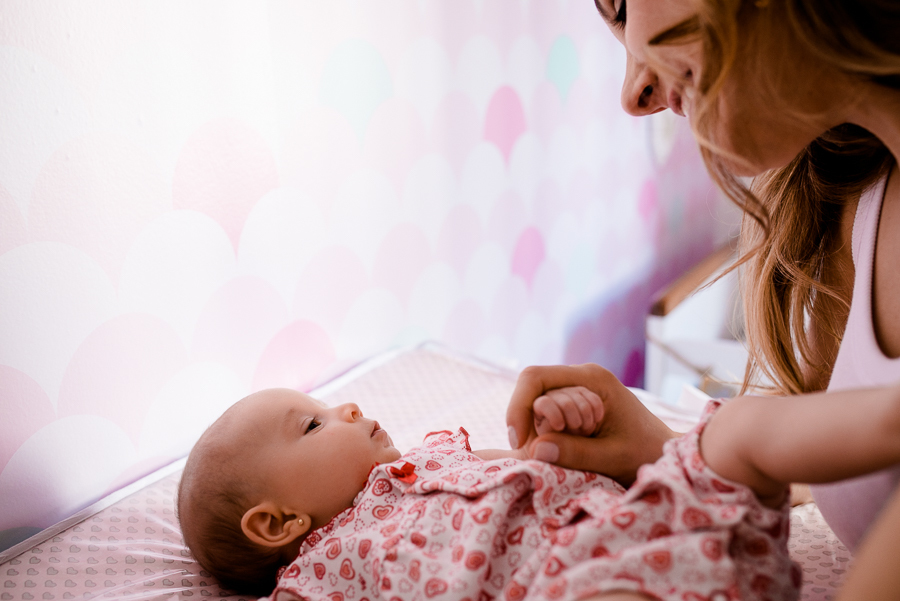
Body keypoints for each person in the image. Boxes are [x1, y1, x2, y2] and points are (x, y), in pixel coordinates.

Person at [506, 0, 900, 555]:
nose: (633, 96)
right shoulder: (855, 204)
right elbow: (860, 480)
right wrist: (683, 454)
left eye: (622, 7)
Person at [176, 383, 900, 601]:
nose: (349, 409)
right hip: (581, 584)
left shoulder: (434, 453)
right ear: (277, 522)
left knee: (735, 429)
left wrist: (559, 427)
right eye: (312, 424)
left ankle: (888, 417)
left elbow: (538, 462)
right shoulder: (314, 578)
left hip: (658, 524)